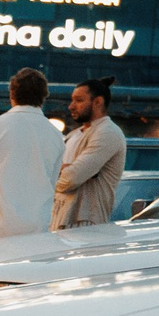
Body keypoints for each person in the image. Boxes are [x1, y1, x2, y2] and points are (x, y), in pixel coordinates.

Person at [0, 69, 65, 243]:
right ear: (43, 97)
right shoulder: (56, 136)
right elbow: (52, 183)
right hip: (35, 232)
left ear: (11, 93)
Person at [53, 76, 127, 230]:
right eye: (72, 100)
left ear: (98, 102)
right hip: (58, 223)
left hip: (86, 226)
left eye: (79, 100)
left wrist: (58, 172)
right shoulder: (73, 135)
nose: (71, 106)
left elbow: (70, 178)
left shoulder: (108, 133)